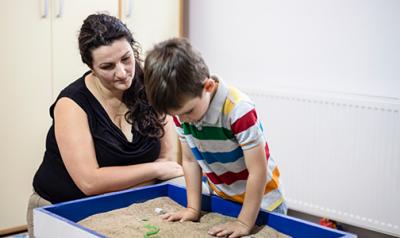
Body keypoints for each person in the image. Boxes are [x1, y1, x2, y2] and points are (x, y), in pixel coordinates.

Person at [27, 14, 183, 237]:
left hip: (128, 205)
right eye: (107, 66)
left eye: (126, 59)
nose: (121, 73)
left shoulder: (151, 87)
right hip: (61, 208)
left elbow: (169, 160)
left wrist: (119, 179)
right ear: (91, 67)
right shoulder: (71, 104)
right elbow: (90, 182)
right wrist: (154, 169)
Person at [143, 38, 286, 238]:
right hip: (224, 200)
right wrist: (193, 209)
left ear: (208, 87)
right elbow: (190, 160)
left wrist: (244, 222)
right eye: (176, 115)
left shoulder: (238, 110)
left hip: (263, 205)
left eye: (188, 111)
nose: (183, 120)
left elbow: (258, 171)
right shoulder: (182, 115)